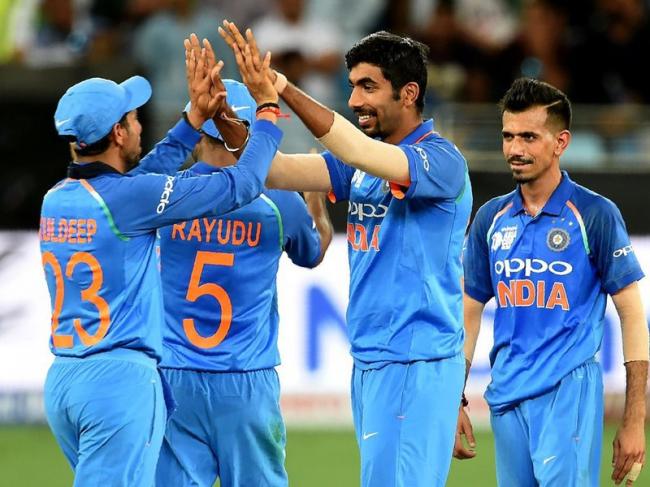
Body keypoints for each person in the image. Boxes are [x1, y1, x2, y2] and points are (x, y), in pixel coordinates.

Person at [219, 22, 473, 486]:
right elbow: (273, 172)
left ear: (409, 93)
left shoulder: (440, 161)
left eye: (368, 87)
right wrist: (221, 115)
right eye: (352, 86)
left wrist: (281, 87)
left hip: (415, 359)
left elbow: (356, 151)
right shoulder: (363, 161)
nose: (354, 100)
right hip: (373, 359)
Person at [39, 44, 283, 486]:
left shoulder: (57, 198)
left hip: (64, 381)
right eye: (133, 119)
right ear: (118, 133)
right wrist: (266, 112)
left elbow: (139, 182)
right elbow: (243, 184)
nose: (139, 126)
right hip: (118, 381)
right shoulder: (131, 198)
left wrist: (193, 121)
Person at [458, 77, 648, 486]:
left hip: (567, 391)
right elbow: (469, 311)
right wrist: (453, 395)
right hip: (505, 396)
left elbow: (632, 314)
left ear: (561, 142)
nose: (515, 149)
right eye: (508, 136)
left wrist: (635, 417)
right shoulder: (491, 218)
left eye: (528, 137)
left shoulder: (594, 214)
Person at [154, 79, 332, 487]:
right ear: (246, 132)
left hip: (173, 376)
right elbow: (313, 252)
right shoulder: (277, 200)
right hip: (245, 377)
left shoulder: (165, 195)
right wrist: (315, 203)